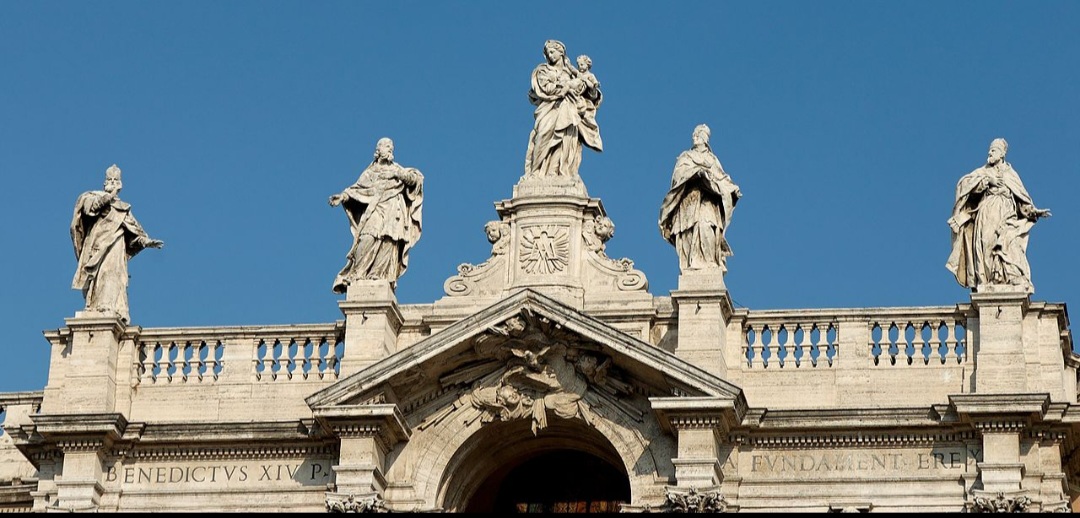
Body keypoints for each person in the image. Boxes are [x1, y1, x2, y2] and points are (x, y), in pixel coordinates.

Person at [946, 138, 1050, 293]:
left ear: (1002, 154)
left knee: (1007, 244)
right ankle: (988, 280)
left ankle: (1003, 278)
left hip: (1007, 213)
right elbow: (963, 184)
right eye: (990, 150)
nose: (990, 153)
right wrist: (987, 181)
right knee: (986, 242)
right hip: (988, 212)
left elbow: (1021, 198)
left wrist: (1034, 211)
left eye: (993, 150)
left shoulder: (1010, 173)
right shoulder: (984, 171)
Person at [70, 164, 164, 322]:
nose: (113, 182)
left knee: (114, 276)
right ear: (104, 182)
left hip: (116, 248)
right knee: (100, 276)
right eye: (110, 180)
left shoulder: (123, 208)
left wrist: (147, 242)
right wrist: (111, 195)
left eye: (116, 180)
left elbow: (134, 231)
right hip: (97, 246)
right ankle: (97, 306)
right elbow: (91, 208)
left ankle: (109, 308)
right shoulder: (91, 196)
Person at [329, 138, 423, 293]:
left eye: (391, 147)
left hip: (394, 210)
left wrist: (400, 174)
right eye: (386, 146)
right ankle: (358, 274)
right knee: (367, 236)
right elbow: (357, 189)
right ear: (378, 151)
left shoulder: (398, 170)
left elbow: (415, 180)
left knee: (389, 241)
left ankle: (378, 276)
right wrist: (343, 197)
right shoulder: (370, 172)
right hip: (375, 210)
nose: (389, 149)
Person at [659, 124, 742, 272]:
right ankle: (692, 265)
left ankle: (708, 263)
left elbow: (721, 178)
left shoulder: (712, 159)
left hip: (708, 202)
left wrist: (731, 188)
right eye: (694, 135)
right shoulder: (686, 157)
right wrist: (695, 173)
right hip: (689, 202)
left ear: (704, 138)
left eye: (698, 135)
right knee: (689, 233)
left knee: (706, 227)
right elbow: (678, 176)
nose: (694, 137)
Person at [523, 40, 603, 179]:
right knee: (543, 135)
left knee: (564, 142)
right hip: (550, 108)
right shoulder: (543, 70)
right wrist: (565, 87)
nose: (550, 56)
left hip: (569, 109)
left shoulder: (573, 72)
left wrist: (590, 88)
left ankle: (555, 171)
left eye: (553, 52)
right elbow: (545, 89)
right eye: (548, 54)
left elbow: (590, 95)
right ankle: (535, 171)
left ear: (561, 52)